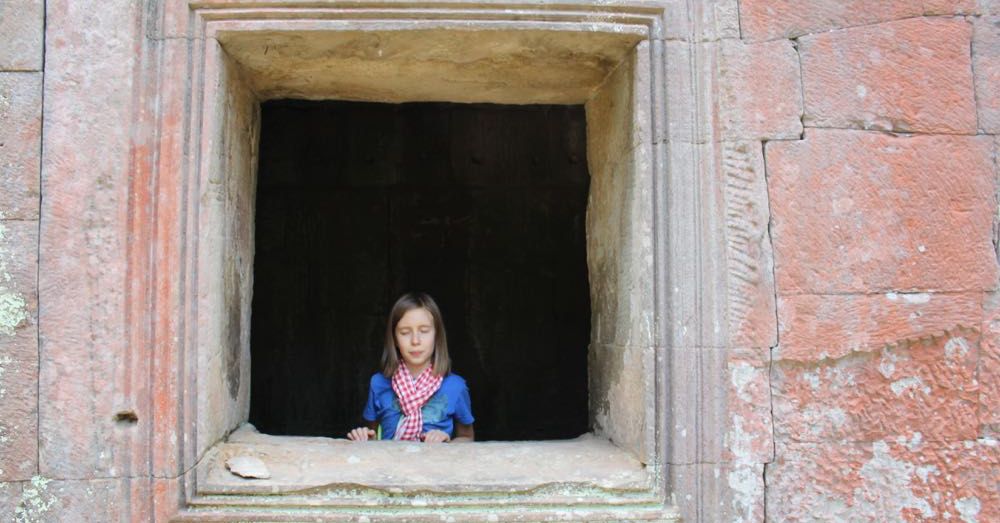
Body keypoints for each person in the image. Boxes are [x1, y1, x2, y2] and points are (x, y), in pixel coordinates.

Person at [347, 292, 475, 443]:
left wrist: (447, 442)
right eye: (405, 333)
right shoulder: (378, 383)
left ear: (437, 335)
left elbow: (467, 437)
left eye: (424, 331)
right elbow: (374, 436)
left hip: (437, 466)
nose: (415, 340)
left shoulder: (456, 386)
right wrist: (366, 437)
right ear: (394, 339)